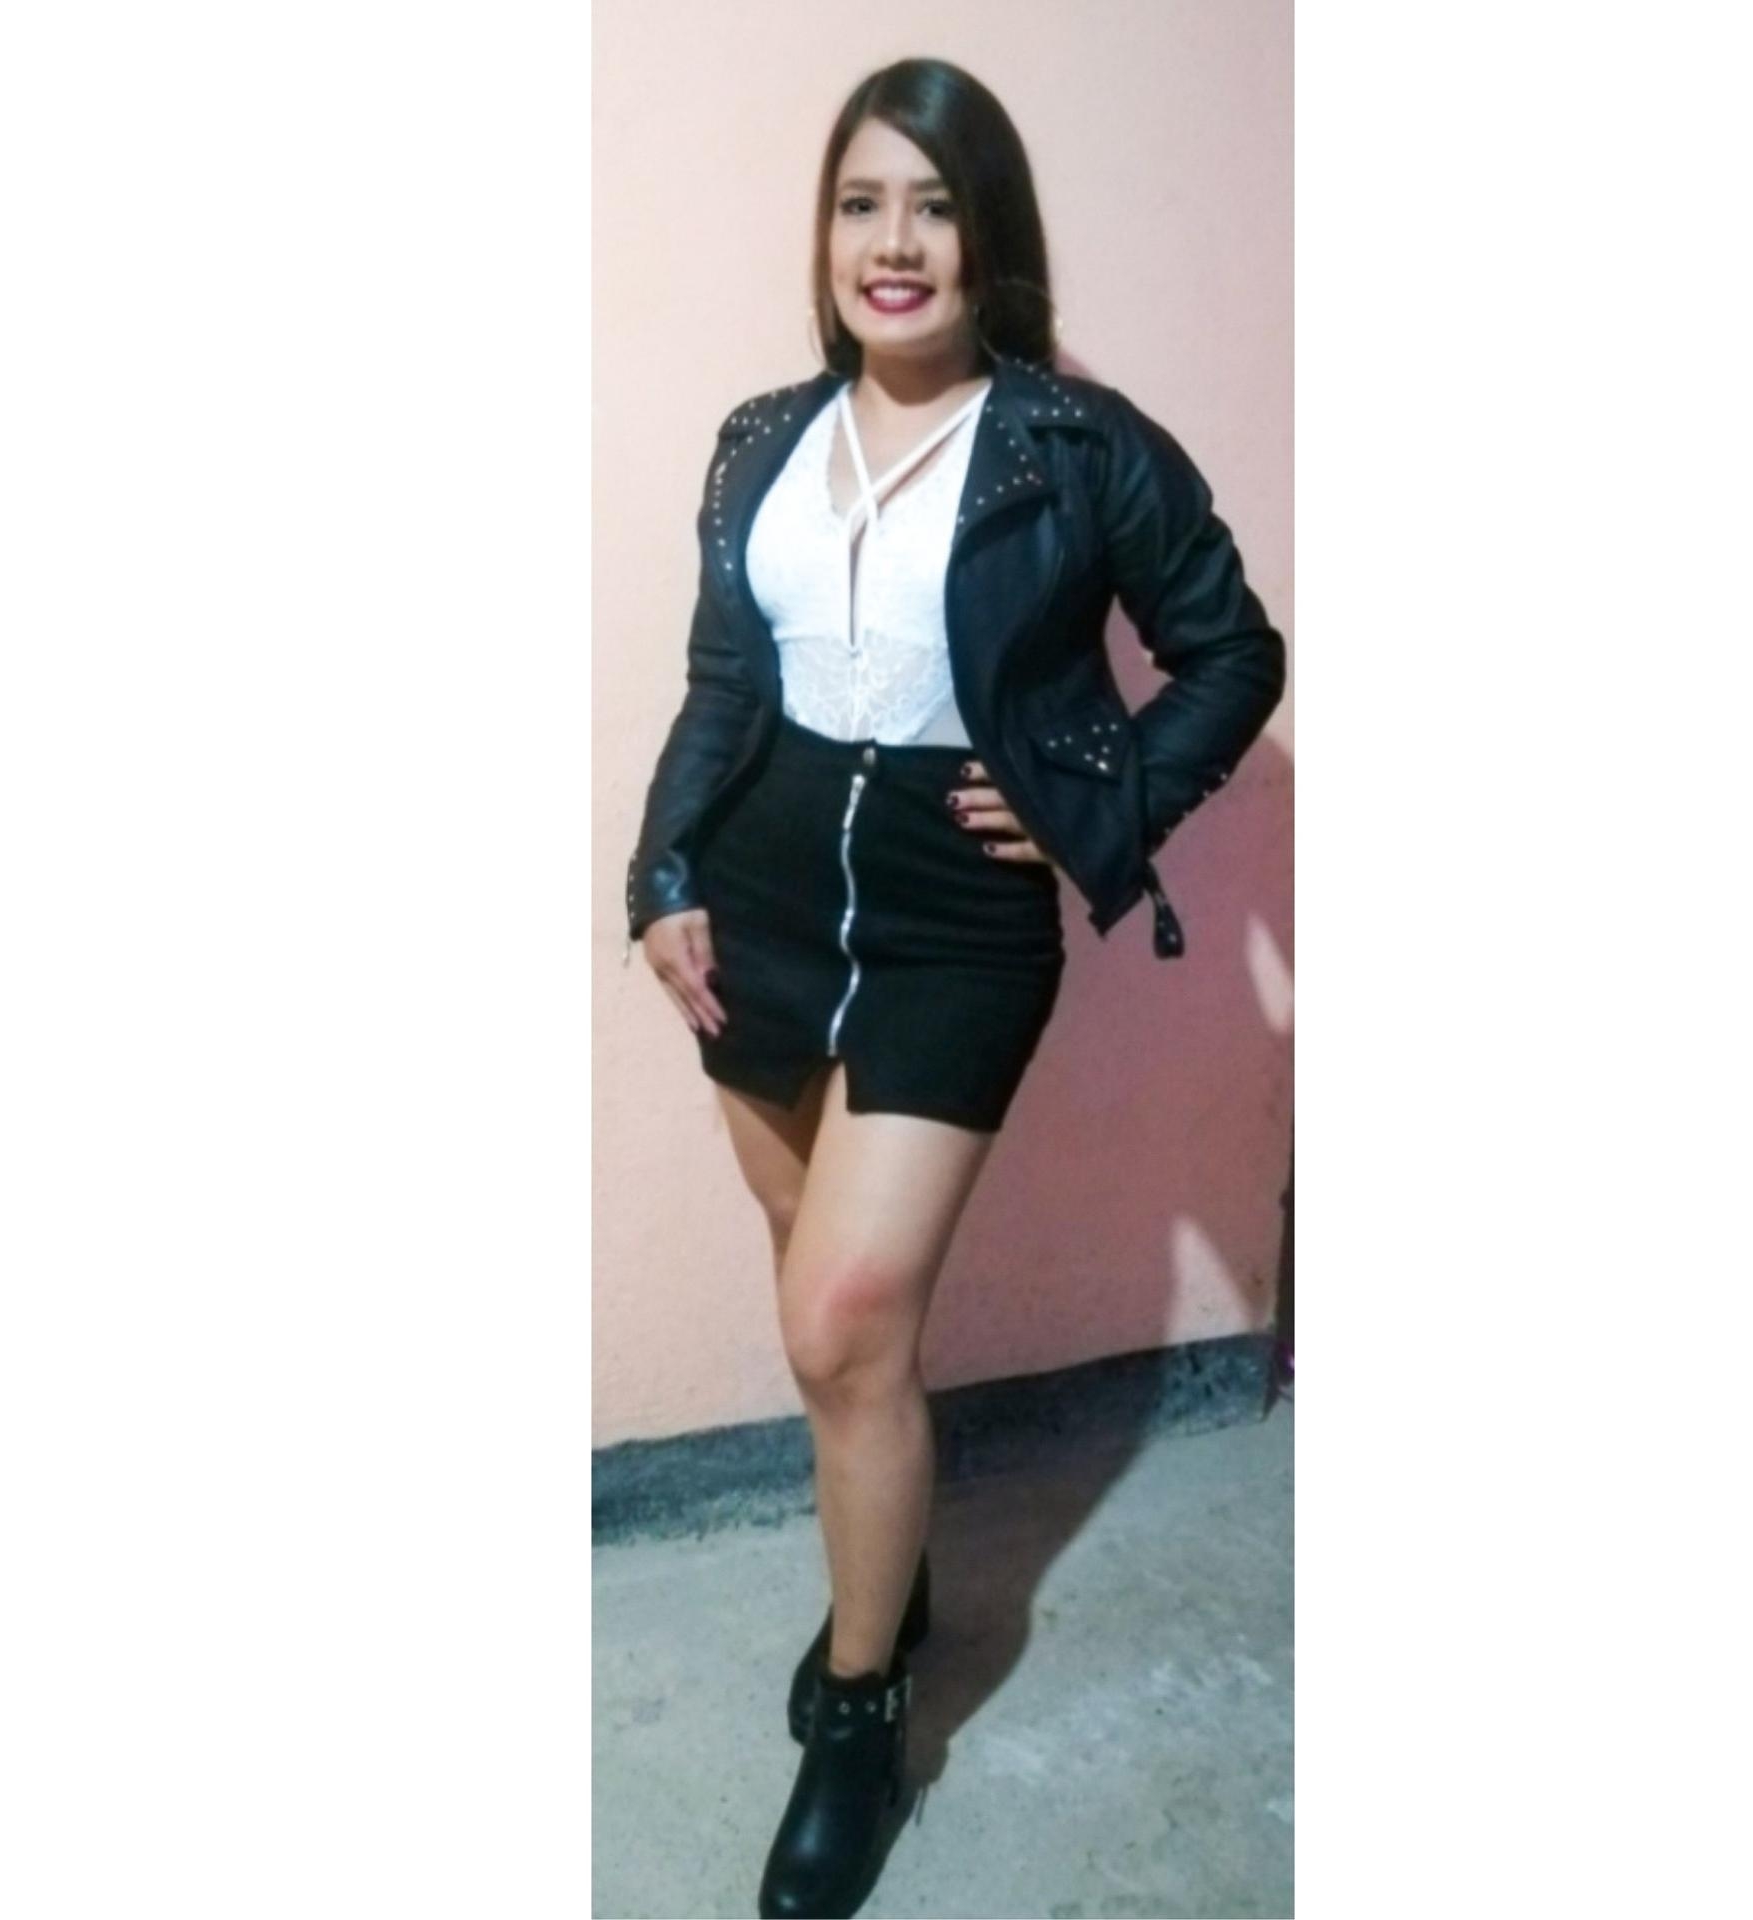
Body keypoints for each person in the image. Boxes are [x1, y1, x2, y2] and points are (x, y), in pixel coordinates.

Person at [623, 55, 1286, 1919]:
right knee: (811, 1282)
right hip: (760, 895)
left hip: (954, 912)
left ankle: (862, 1713)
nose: (893, 242)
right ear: (825, 234)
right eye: (861, 203)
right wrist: (659, 878)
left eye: (931, 203)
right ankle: (884, 1570)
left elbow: (1231, 652)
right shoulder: (763, 438)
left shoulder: (1072, 443)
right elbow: (723, 682)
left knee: (844, 1318)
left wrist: (1108, 794)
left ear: (988, 233)